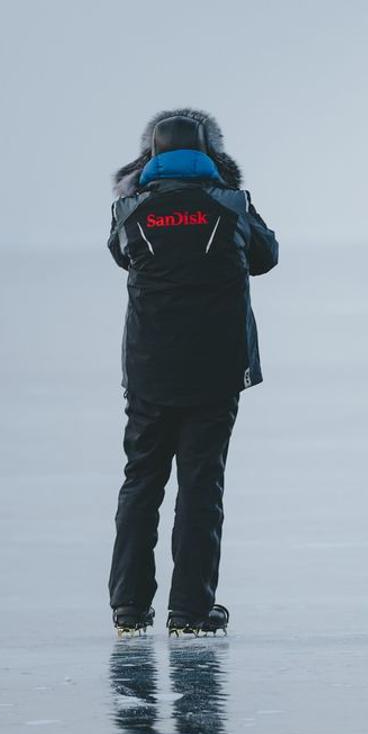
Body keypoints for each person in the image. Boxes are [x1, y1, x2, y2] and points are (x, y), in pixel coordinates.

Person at [106, 108, 278, 637]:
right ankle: (190, 611)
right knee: (202, 487)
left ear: (149, 156)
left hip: (150, 370)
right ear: (213, 154)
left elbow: (119, 256)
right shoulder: (232, 205)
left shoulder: (129, 211)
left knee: (141, 483)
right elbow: (266, 256)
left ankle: (129, 609)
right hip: (216, 369)